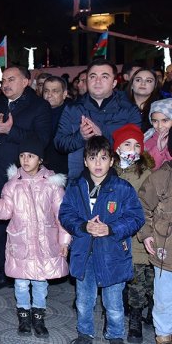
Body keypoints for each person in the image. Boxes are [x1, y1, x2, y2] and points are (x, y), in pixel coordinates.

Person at [59, 136, 145, 344]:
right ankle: (84, 333)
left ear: (112, 161)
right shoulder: (75, 186)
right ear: (85, 161)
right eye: (92, 158)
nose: (98, 163)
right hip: (84, 253)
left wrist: (111, 228)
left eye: (103, 158)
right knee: (84, 299)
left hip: (113, 254)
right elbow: (65, 213)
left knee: (114, 302)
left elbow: (136, 217)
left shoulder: (123, 188)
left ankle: (115, 335)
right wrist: (83, 226)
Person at [0, 137, 69, 338]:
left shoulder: (52, 185)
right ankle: (23, 316)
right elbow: (5, 213)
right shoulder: (12, 185)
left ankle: (38, 317)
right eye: (22, 156)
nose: (25, 160)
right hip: (20, 243)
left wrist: (64, 241)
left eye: (30, 156)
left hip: (45, 244)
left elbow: (61, 216)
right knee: (21, 283)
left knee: (40, 283)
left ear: (40, 159)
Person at [0, 65, 52, 290]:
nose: (5, 84)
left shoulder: (39, 106)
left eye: (11, 79)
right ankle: (4, 272)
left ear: (26, 81)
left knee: (27, 226)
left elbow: (42, 140)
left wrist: (9, 130)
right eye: (3, 80)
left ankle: (32, 273)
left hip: (24, 178)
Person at [55, 58, 142, 179]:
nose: (97, 81)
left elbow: (136, 150)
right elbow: (59, 143)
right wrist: (81, 137)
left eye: (104, 77)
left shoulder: (129, 110)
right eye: (92, 76)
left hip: (120, 178)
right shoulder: (73, 109)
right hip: (80, 180)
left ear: (114, 83)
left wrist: (102, 137)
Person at [111, 124, 154, 343]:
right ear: (117, 147)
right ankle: (115, 313)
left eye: (137, 145)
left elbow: (149, 205)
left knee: (138, 281)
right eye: (127, 144)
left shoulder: (147, 174)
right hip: (113, 235)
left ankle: (135, 319)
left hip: (136, 236)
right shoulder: (109, 170)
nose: (132, 149)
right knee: (115, 280)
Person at [137, 135, 172, 344]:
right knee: (163, 298)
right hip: (165, 250)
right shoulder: (160, 178)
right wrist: (147, 233)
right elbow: (142, 206)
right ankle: (163, 334)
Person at [42, 76, 70, 175]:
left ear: (64, 94)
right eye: (46, 91)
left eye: (55, 91)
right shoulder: (37, 112)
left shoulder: (73, 113)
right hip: (41, 169)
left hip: (64, 169)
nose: (49, 95)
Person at [144, 99, 172, 170]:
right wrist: (159, 149)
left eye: (165, 120)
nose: (159, 126)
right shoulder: (149, 138)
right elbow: (151, 168)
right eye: (155, 121)